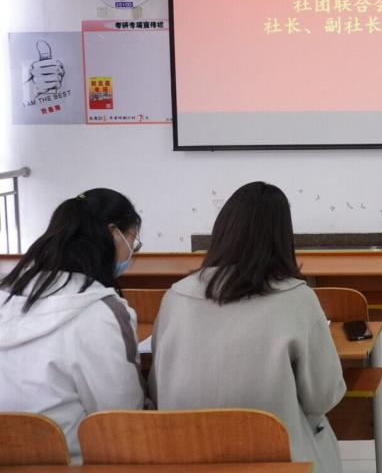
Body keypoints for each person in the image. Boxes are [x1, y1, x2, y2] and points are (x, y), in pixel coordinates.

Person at [151, 182, 346, 472]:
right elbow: (323, 396)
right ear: (282, 237)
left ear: (222, 231)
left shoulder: (175, 297)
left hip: (186, 456)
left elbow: (157, 390)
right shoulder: (297, 299)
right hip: (275, 458)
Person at [0, 188, 146, 462]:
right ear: (113, 234)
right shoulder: (101, 311)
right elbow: (121, 416)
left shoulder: (5, 295)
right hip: (72, 461)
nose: (131, 253)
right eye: (133, 242)